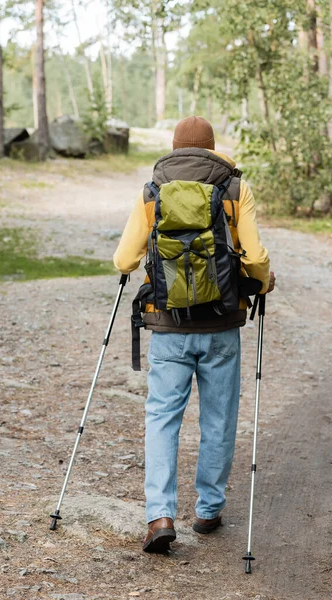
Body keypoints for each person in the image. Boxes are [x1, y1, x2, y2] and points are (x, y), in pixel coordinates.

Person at [113, 115, 275, 553]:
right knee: (219, 417)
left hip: (168, 327)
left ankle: (160, 515)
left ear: (174, 147)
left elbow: (125, 259)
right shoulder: (235, 188)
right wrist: (264, 279)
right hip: (222, 324)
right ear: (212, 147)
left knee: (162, 416)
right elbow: (256, 256)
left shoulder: (153, 190)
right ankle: (208, 509)